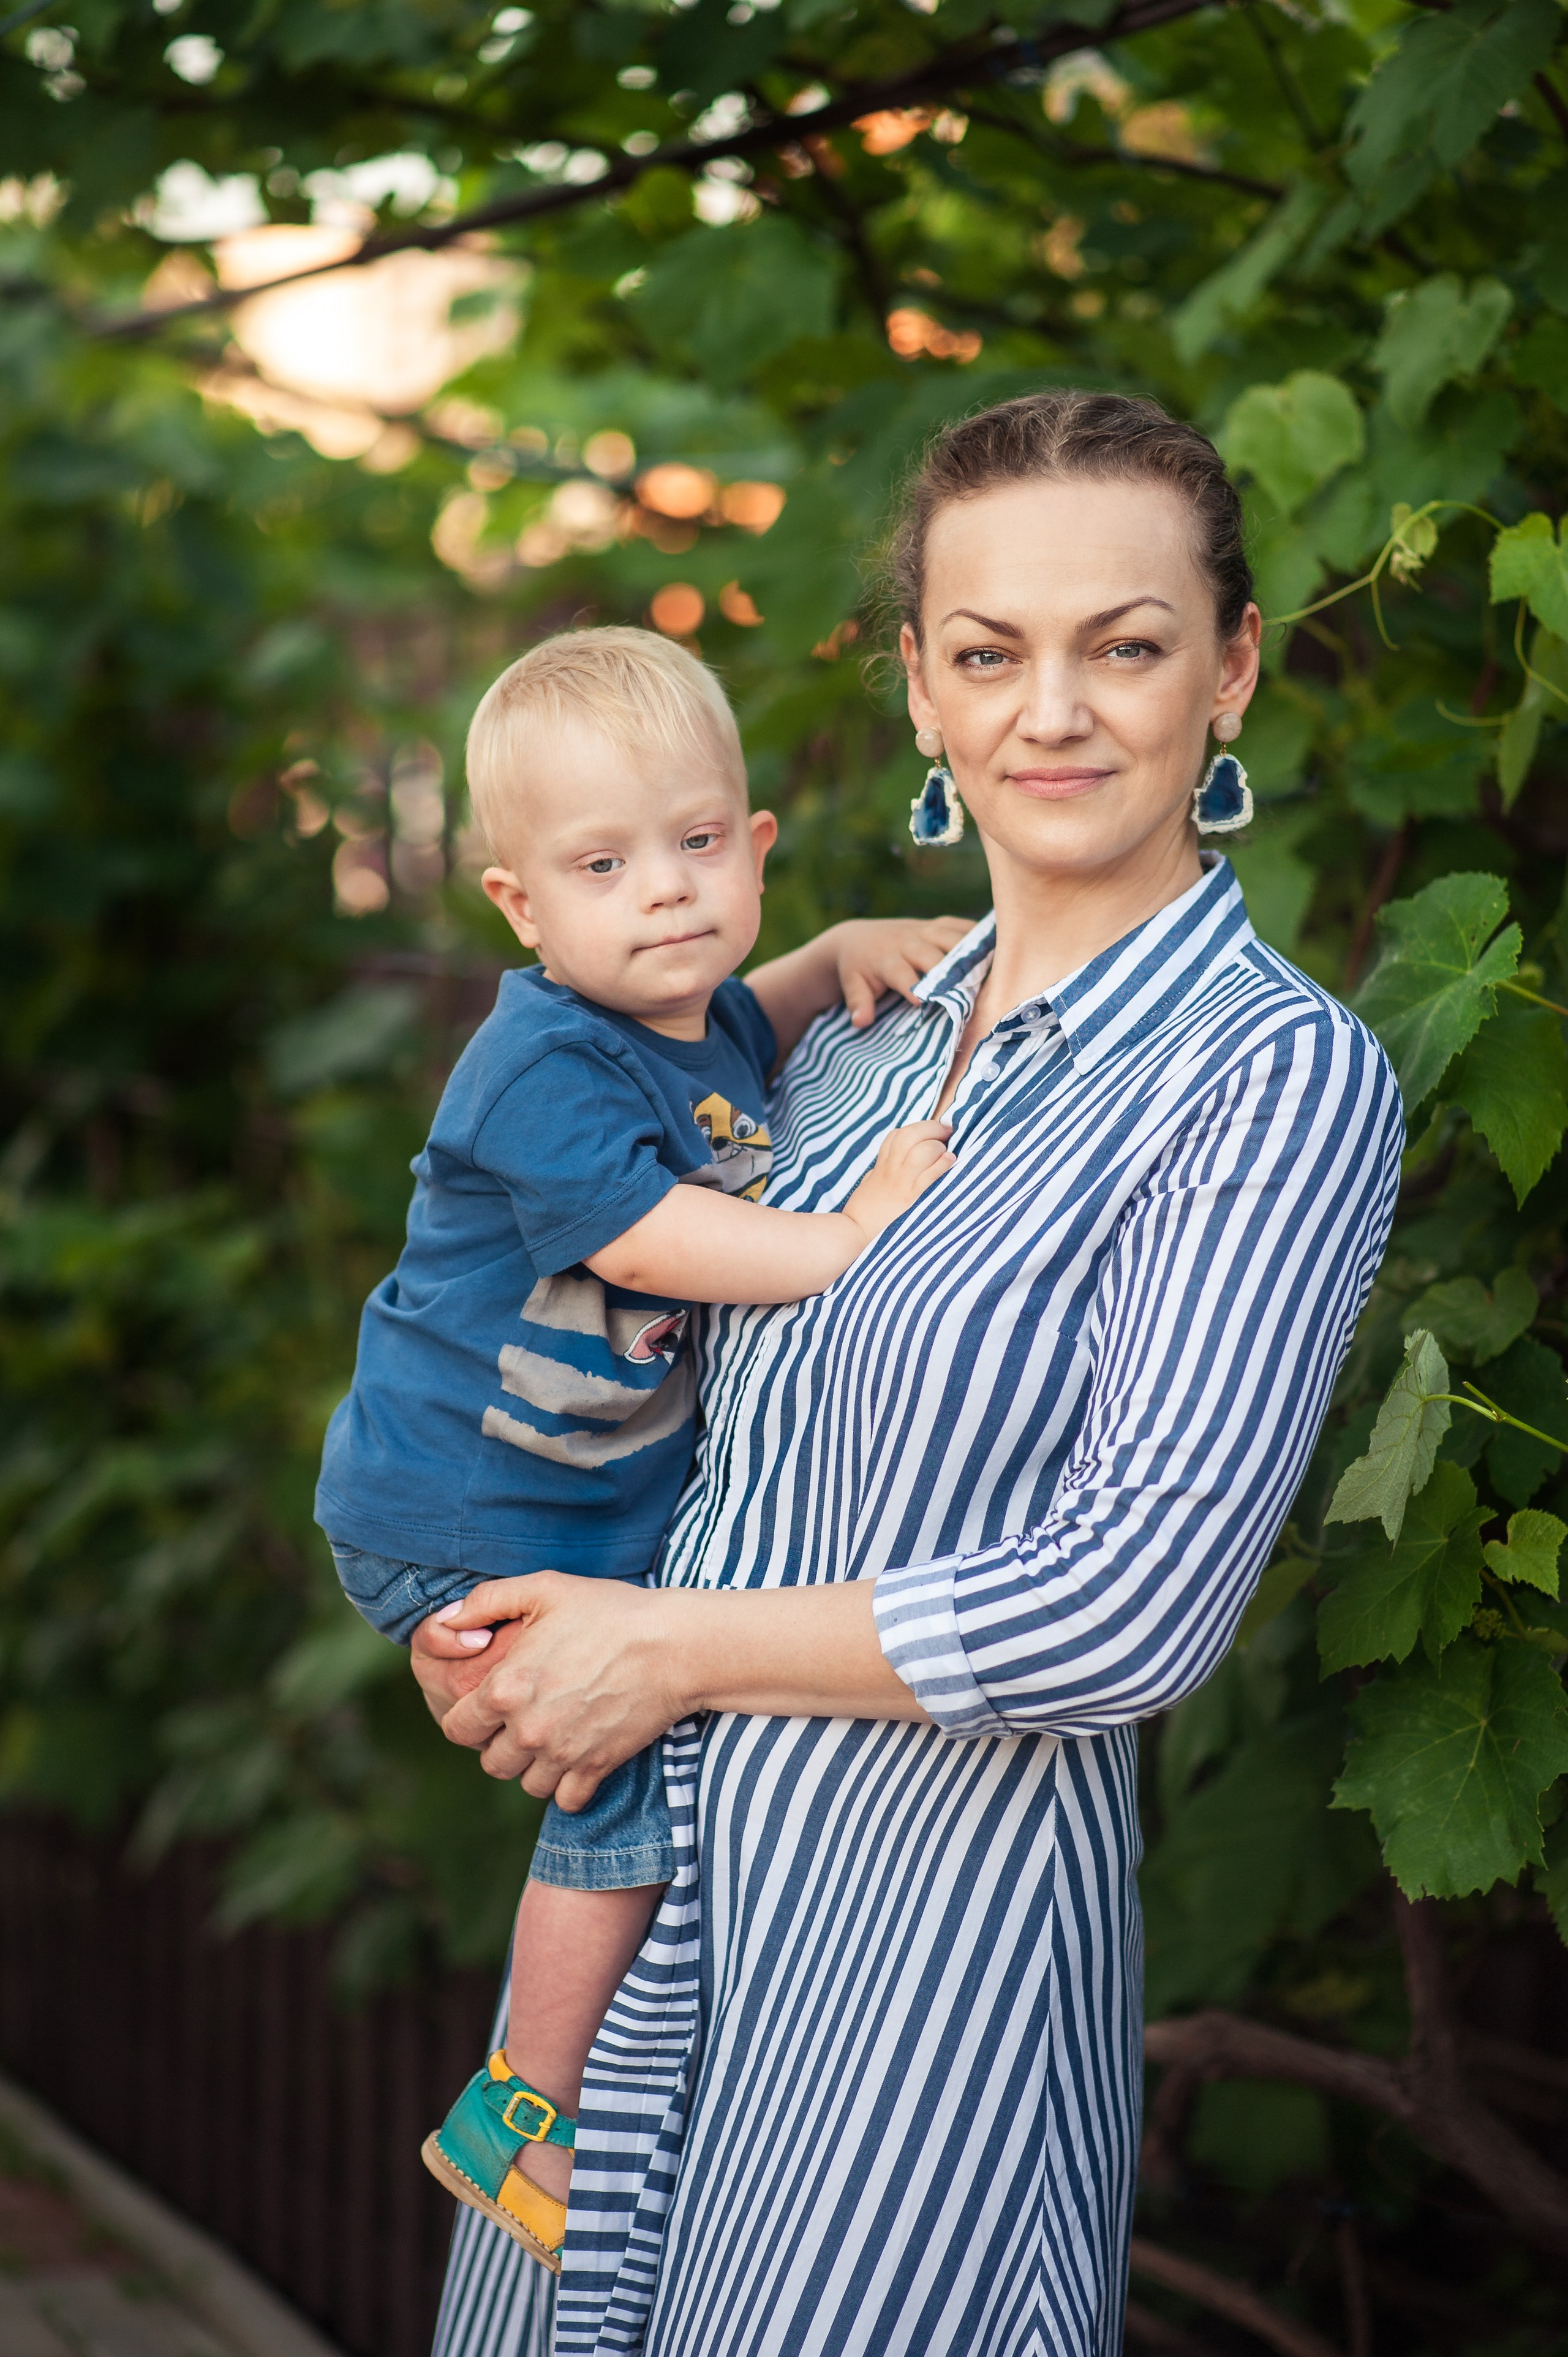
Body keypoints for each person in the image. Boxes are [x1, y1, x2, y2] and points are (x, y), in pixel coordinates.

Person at [417, 391, 1405, 2357]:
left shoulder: (1270, 1076)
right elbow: (565, 1295)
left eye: (1123, 646)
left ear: (1231, 673)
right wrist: (497, 1606)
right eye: (988, 654)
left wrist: (660, 1649)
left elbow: (1131, 1604)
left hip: (920, 1968)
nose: (1053, 711)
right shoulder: (845, 1042)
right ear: (923, 698)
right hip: (645, 1921)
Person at [314, 626, 963, 2273]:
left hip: (543, 1493)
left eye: (694, 845)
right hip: (453, 1497)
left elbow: (754, 1010)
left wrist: (837, 952)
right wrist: (844, 1238)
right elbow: (659, 1237)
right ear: (522, 908)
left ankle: (525, 2096)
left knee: (610, 1769)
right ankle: (516, 2110)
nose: (663, 891)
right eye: (605, 864)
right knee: (613, 1802)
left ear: (750, 848)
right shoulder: (537, 1062)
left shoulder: (696, 1017)